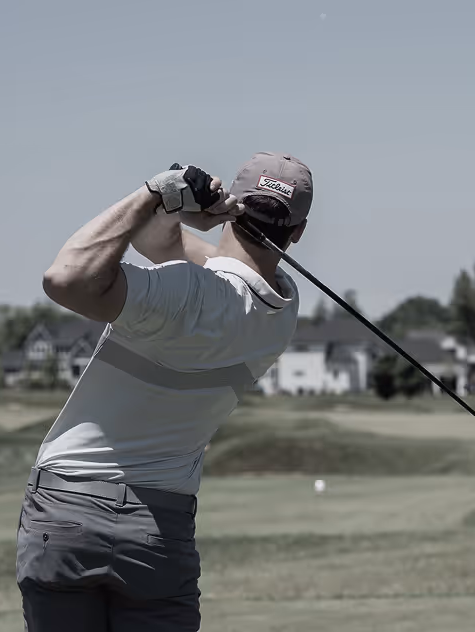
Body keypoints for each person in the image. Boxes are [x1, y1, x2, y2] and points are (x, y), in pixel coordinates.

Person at [16, 152, 313, 631]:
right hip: (159, 527)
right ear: (297, 231)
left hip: (68, 504)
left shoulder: (183, 293)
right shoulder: (282, 310)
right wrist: (170, 213)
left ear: (235, 203)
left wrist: (155, 194)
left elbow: (66, 278)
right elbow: (176, 251)